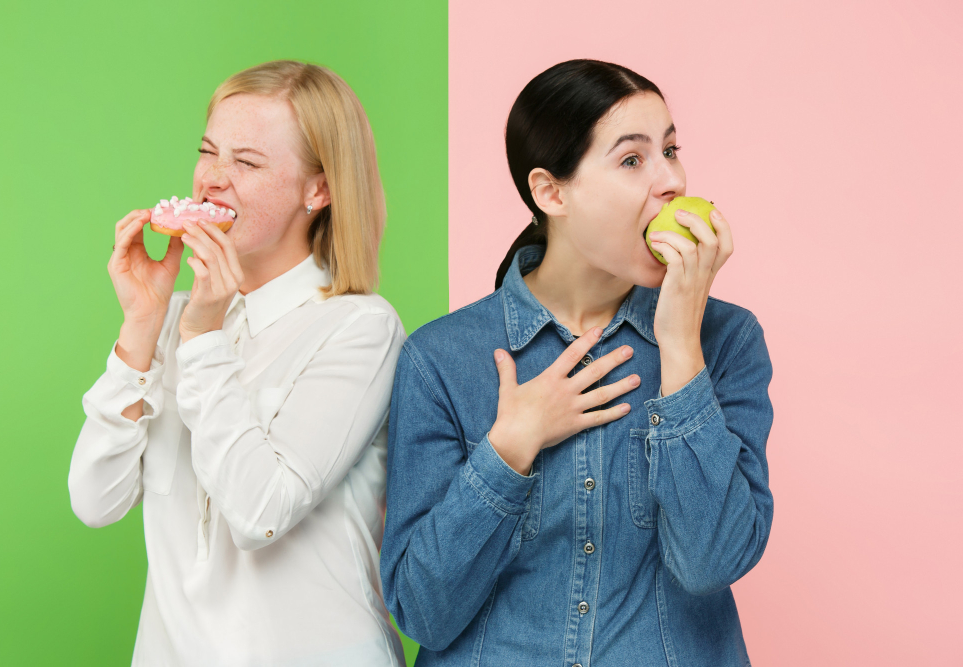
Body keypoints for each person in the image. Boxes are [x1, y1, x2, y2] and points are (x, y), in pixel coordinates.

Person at [381, 59, 773, 666]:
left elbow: (712, 562)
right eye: (633, 159)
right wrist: (508, 449)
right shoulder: (441, 360)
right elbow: (422, 612)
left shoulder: (726, 338)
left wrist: (680, 348)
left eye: (671, 149)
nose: (670, 180)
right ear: (550, 191)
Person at [69, 60, 406, 667]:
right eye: (208, 152)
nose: (211, 181)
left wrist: (200, 339)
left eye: (247, 163)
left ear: (319, 190)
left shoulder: (361, 328)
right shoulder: (175, 320)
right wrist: (143, 327)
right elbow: (95, 501)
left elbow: (260, 514)